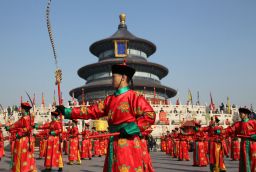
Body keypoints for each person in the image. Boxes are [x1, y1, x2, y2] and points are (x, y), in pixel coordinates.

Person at [57, 63, 156, 172]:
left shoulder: (134, 97)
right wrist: (67, 111)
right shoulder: (109, 99)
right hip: (113, 142)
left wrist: (131, 128)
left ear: (123, 77)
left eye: (114, 77)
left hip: (129, 142)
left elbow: (150, 115)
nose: (111, 80)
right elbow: (91, 111)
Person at [5, 102, 37, 172]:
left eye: (21, 108)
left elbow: (27, 129)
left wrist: (19, 133)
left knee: (23, 157)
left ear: (24, 109)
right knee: (25, 157)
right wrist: (9, 127)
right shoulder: (23, 118)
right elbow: (16, 125)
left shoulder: (26, 118)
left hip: (24, 140)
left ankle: (23, 169)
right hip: (23, 140)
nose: (20, 110)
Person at [226, 107, 256, 172]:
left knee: (253, 160)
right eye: (240, 113)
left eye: (241, 113)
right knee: (245, 161)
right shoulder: (238, 124)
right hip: (244, 144)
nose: (240, 115)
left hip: (253, 144)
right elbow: (230, 130)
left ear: (246, 114)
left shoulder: (253, 122)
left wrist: (254, 136)